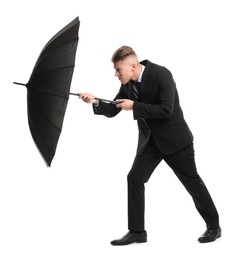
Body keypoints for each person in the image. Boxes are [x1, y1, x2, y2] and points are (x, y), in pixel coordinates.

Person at [79, 46, 221, 245]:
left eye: (118, 70)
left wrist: (135, 106)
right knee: (134, 178)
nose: (116, 74)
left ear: (133, 66)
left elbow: (166, 110)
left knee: (192, 183)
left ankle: (214, 227)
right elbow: (114, 109)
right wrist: (94, 102)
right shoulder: (128, 83)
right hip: (151, 142)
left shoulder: (161, 74)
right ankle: (137, 232)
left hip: (176, 141)